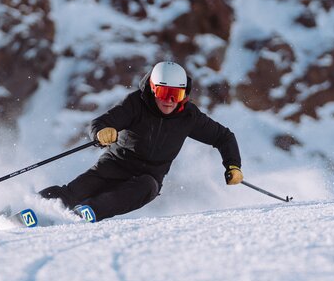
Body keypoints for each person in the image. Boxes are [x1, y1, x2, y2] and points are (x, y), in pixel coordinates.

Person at [39, 61, 243, 221]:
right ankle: (28, 209)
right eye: (164, 92)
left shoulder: (189, 117)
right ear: (153, 88)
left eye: (176, 94)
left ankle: (84, 214)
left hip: (148, 178)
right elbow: (101, 123)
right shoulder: (136, 103)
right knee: (73, 193)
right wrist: (101, 132)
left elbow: (223, 137)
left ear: (184, 94)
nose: (169, 100)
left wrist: (233, 165)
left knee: (144, 187)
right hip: (114, 165)